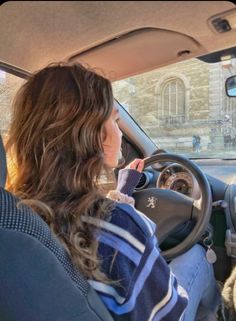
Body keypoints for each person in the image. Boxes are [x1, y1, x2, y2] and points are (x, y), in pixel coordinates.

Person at [6, 62, 221, 321]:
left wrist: (122, 194)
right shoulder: (119, 225)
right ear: (97, 135)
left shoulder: (16, 214)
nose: (118, 131)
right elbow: (169, 312)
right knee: (196, 256)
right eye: (115, 119)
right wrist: (131, 221)